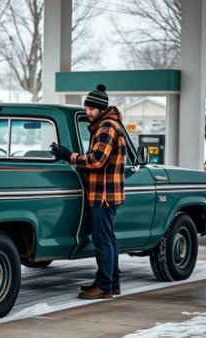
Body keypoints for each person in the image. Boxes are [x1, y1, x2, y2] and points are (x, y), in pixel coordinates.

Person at [50, 84, 126, 299]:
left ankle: (104, 287)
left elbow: (96, 160)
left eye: (92, 109)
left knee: (103, 241)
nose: (88, 112)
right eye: (87, 108)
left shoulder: (107, 128)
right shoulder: (106, 125)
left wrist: (69, 156)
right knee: (109, 240)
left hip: (103, 194)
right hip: (106, 193)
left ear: (101, 109)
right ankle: (112, 282)